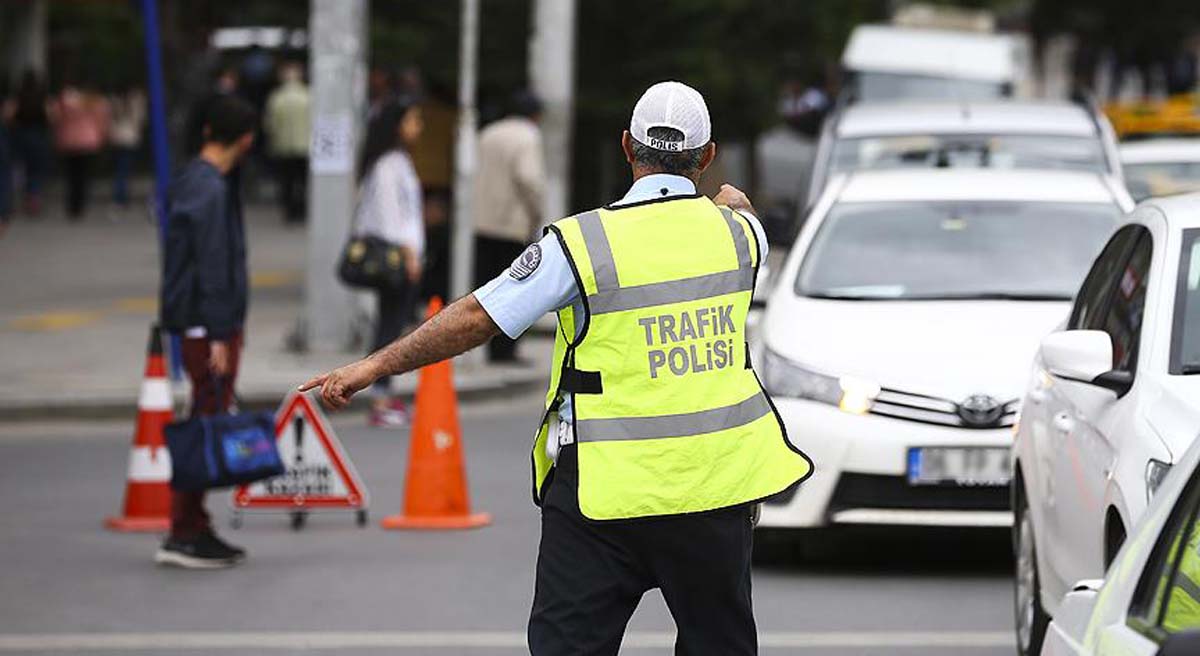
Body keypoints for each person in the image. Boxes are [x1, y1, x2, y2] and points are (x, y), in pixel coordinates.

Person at [300, 81, 813, 654]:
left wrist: (373, 365)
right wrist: (730, 203)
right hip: (714, 490)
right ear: (709, 155)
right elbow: (740, 211)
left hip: (601, 494)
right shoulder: (742, 237)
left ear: (626, 146)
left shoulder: (581, 243)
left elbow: (477, 315)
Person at [157, 95, 257, 569]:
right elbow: (213, 266)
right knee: (204, 422)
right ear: (246, 139)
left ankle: (193, 524)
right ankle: (184, 530)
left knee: (205, 416)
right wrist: (220, 334)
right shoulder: (211, 189)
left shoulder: (192, 180)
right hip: (207, 327)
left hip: (198, 322)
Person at [351, 97, 425, 428]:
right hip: (395, 257)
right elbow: (389, 217)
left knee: (392, 323)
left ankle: (384, 391)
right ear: (398, 125)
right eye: (413, 120)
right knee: (389, 326)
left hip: (404, 255)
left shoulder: (398, 161)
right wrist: (409, 254)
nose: (418, 127)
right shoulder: (387, 165)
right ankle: (379, 396)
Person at [471, 90, 545, 363]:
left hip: (482, 221)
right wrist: (536, 212)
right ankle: (506, 350)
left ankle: (490, 346)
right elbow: (529, 178)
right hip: (512, 224)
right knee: (515, 289)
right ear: (536, 115)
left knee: (488, 287)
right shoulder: (528, 136)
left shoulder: (488, 133)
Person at [49, 79, 110, 220]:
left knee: (71, 175)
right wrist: (102, 136)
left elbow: (55, 117)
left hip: (68, 141)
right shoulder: (94, 101)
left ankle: (72, 205)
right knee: (83, 175)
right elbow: (101, 120)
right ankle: (80, 205)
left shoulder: (64, 100)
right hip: (88, 141)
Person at [264, 62, 310, 224]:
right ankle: (303, 209)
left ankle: (290, 211)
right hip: (305, 146)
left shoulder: (277, 98)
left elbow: (270, 124)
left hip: (284, 146)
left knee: (287, 181)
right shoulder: (308, 96)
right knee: (303, 181)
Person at [4, 68, 50, 217]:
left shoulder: (18, 96)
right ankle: (33, 197)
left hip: (20, 134)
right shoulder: (42, 97)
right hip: (38, 134)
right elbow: (51, 116)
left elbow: (8, 115)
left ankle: (13, 196)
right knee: (35, 170)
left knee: (17, 166)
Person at [108, 84, 146, 208]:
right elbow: (140, 119)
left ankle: (119, 196)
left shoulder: (114, 100)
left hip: (117, 137)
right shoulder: (136, 100)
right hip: (130, 138)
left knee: (119, 168)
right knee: (125, 169)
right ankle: (122, 196)